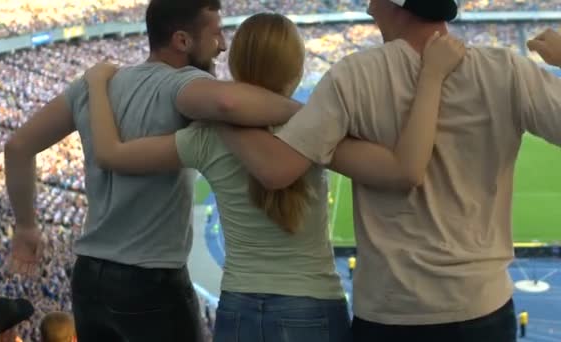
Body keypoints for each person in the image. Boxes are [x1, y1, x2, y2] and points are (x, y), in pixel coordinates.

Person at [83, 12, 463, 342]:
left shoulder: (207, 134)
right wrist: (431, 76)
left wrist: (97, 85)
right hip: (311, 306)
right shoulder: (315, 125)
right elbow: (404, 170)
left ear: (237, 67)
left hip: (238, 307)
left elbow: (111, 154)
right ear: (296, 69)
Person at [215, 1, 561, 341]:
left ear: (398, 6)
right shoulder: (506, 69)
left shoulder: (353, 75)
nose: (368, 9)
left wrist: (218, 118)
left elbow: (277, 169)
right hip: (483, 305)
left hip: (391, 311)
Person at [3, 0, 302, 341]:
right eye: (216, 33)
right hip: (151, 279)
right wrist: (313, 112)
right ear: (182, 41)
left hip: (87, 276)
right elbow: (227, 102)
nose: (222, 45)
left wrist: (26, 226)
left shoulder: (92, 85)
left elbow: (17, 147)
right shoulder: (183, 83)